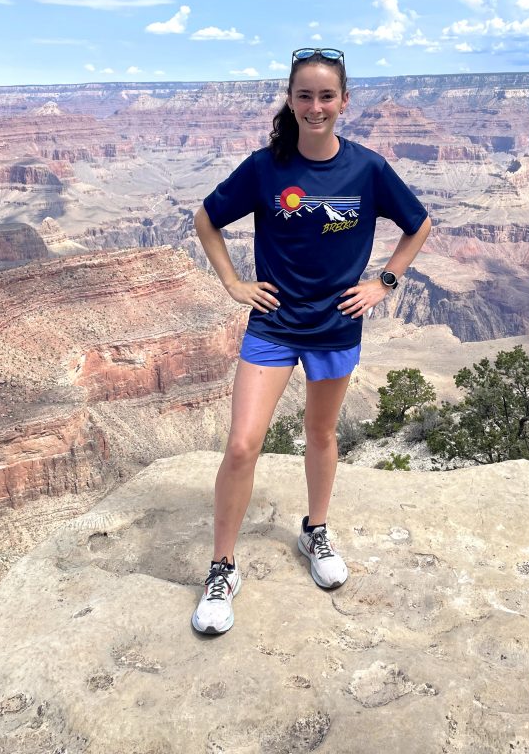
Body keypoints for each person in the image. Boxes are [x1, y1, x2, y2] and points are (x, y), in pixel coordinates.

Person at [191, 47, 431, 634]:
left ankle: (315, 530)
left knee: (321, 433)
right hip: (272, 325)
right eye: (305, 95)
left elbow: (418, 223)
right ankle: (222, 567)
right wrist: (232, 283)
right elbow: (206, 218)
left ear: (344, 102)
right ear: (291, 101)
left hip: (335, 326)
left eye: (327, 96)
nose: (316, 106)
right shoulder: (265, 168)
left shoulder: (368, 169)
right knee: (243, 445)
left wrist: (384, 282)